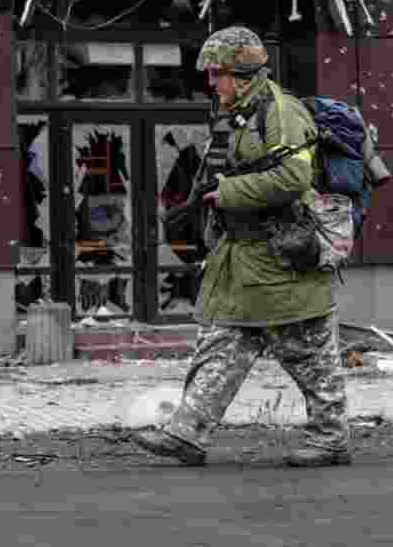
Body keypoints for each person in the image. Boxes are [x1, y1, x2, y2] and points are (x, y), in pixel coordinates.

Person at [131, 25, 351, 467]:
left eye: (217, 75)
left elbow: (294, 178)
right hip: (241, 258)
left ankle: (331, 439)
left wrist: (229, 192)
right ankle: (188, 432)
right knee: (221, 344)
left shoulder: (281, 112)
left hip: (283, 257)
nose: (210, 83)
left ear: (243, 74)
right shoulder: (235, 114)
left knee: (308, 353)